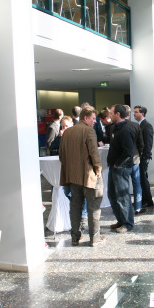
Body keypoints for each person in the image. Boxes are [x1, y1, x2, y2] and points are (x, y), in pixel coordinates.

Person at [59, 106, 105, 247]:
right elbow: (94, 154)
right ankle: (94, 238)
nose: (95, 122)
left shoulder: (67, 132)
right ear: (85, 118)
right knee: (93, 206)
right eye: (93, 119)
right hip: (89, 176)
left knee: (75, 207)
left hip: (73, 177)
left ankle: (75, 237)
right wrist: (98, 169)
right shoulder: (88, 131)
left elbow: (62, 155)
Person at [107, 104, 135, 233]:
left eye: (111, 113)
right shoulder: (115, 128)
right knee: (112, 195)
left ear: (118, 114)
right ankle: (120, 220)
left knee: (122, 196)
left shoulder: (125, 130)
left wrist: (117, 164)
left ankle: (127, 223)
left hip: (121, 168)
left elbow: (128, 152)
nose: (110, 115)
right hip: (115, 167)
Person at [124, 105, 145, 215]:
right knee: (137, 184)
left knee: (124, 185)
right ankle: (138, 207)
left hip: (123, 161)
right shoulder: (136, 125)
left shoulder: (116, 126)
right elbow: (141, 144)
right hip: (135, 159)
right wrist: (139, 154)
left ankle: (126, 208)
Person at [134, 105, 154, 208]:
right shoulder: (139, 125)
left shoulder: (146, 126)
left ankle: (148, 200)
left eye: (136, 112)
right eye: (134, 112)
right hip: (139, 156)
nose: (134, 114)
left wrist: (145, 157)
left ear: (142, 114)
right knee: (141, 179)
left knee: (143, 178)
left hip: (143, 157)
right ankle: (143, 199)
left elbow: (148, 143)